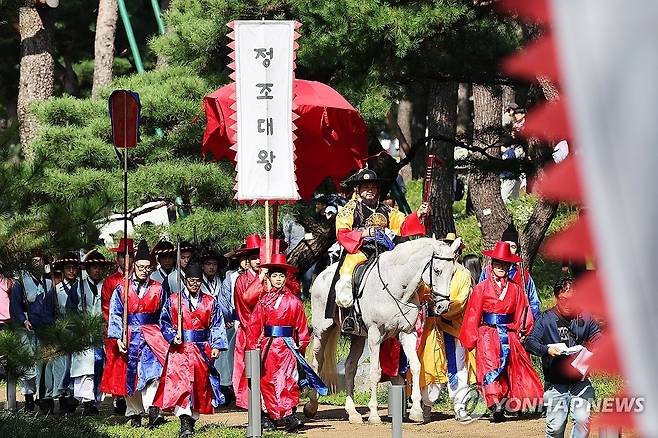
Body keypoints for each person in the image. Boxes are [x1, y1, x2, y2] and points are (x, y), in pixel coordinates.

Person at [334, 168, 428, 333]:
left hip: (385, 250)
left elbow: (403, 224)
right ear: (358, 189)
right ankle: (350, 315)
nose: (370, 190)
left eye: (373, 187)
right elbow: (342, 232)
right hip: (359, 250)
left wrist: (418, 214)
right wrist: (364, 233)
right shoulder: (350, 208)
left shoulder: (386, 209)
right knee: (348, 275)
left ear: (377, 189)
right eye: (365, 187)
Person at [459, 241, 543, 422]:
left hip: (509, 333)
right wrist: (471, 337)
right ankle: (494, 404)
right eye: (497, 264)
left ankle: (509, 402)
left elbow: (523, 310)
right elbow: (473, 313)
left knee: (509, 368)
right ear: (491, 265)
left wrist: (524, 330)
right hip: (488, 334)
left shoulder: (516, 289)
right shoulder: (481, 288)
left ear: (509, 266)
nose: (501, 268)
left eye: (504, 264)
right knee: (490, 366)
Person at [247, 253, 327, 432]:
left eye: (281, 276)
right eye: (274, 275)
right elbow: (254, 326)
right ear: (268, 278)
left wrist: (302, 344)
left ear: (286, 278)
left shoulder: (294, 301)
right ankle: (268, 416)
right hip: (267, 347)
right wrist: (253, 348)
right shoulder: (263, 301)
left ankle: (289, 415)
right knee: (267, 381)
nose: (278, 279)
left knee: (288, 380)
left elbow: (302, 327)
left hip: (287, 348)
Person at [155, 261, 228, 437]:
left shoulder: (210, 302)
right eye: (191, 280)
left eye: (197, 280)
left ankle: (192, 418)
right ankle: (184, 421)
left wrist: (217, 344)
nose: (194, 284)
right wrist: (173, 336)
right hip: (180, 350)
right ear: (185, 280)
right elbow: (164, 322)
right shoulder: (174, 300)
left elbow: (217, 324)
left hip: (202, 349)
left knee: (199, 386)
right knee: (181, 385)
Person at [527, 278, 601, 438]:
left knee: (583, 421)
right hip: (555, 383)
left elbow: (598, 338)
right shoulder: (545, 319)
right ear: (556, 297)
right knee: (555, 428)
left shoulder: (585, 317)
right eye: (564, 299)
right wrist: (547, 349)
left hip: (580, 382)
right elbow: (530, 343)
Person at [106, 240, 169, 428]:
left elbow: (165, 314)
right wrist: (117, 337)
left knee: (154, 373)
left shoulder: (158, 288)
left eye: (147, 267)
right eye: (141, 267)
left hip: (152, 335)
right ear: (134, 266)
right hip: (129, 334)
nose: (144, 270)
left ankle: (153, 410)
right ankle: (134, 413)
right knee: (129, 375)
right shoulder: (122, 288)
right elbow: (115, 313)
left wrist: (166, 335)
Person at [416, 235, 476, 423]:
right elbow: (421, 294)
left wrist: (443, 309)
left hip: (453, 328)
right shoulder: (432, 272)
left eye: (452, 247)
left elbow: (460, 302)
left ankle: (460, 406)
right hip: (431, 328)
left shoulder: (463, 275)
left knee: (458, 367)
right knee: (429, 365)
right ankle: (426, 404)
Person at [9, 250, 53, 412]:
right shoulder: (20, 282)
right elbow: (14, 305)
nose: (37, 264)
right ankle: (28, 398)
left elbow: (51, 306)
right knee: (27, 364)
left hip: (44, 327)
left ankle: (43, 397)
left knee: (43, 363)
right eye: (33, 261)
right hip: (26, 328)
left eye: (39, 260)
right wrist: (23, 319)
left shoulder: (48, 282)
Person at [70, 249, 112, 415]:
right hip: (84, 332)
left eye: (99, 267)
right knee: (85, 368)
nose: (97, 270)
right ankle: (87, 402)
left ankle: (97, 401)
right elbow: (70, 311)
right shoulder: (78, 286)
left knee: (101, 367)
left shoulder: (107, 286)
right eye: (93, 267)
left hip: (103, 332)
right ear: (87, 269)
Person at [100, 237, 134, 414]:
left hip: (136, 328)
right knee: (116, 363)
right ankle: (117, 397)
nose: (126, 260)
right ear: (117, 259)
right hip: (116, 328)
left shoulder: (137, 279)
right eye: (122, 256)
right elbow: (106, 307)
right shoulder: (110, 281)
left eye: (129, 256)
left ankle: (133, 398)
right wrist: (116, 329)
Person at [479, 223, 540, 319]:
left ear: (517, 250)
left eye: (513, 247)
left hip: (517, 325)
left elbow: (533, 302)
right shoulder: (487, 271)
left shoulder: (523, 275)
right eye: (507, 246)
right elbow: (479, 299)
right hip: (489, 325)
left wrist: (531, 323)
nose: (509, 250)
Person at [49, 252, 83, 414]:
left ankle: (73, 397)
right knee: (62, 366)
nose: (71, 271)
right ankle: (62, 397)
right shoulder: (56, 290)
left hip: (78, 330)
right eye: (68, 268)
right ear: (62, 270)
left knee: (75, 365)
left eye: (73, 268)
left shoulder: (80, 287)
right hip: (61, 330)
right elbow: (49, 311)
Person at [232, 233, 263, 409]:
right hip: (248, 330)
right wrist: (255, 329)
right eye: (253, 258)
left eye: (260, 256)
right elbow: (243, 306)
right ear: (247, 260)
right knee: (248, 369)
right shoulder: (241, 281)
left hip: (267, 331)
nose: (258, 261)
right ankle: (252, 405)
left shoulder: (269, 278)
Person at [214, 246, 247, 405]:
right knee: (231, 356)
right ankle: (230, 387)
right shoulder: (231, 277)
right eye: (244, 258)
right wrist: (226, 317)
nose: (247, 262)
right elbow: (224, 301)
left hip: (254, 322)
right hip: (235, 322)